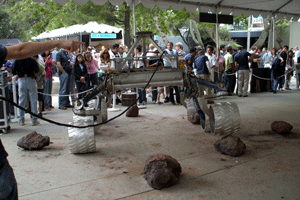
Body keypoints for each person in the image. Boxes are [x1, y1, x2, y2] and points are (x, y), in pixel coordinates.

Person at [0, 40, 83, 200]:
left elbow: (17, 64)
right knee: (31, 100)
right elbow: (21, 50)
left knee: (24, 100)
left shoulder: (21, 61)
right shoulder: (29, 60)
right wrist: (59, 42)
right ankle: (33, 118)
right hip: (29, 80)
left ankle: (23, 118)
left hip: (22, 80)